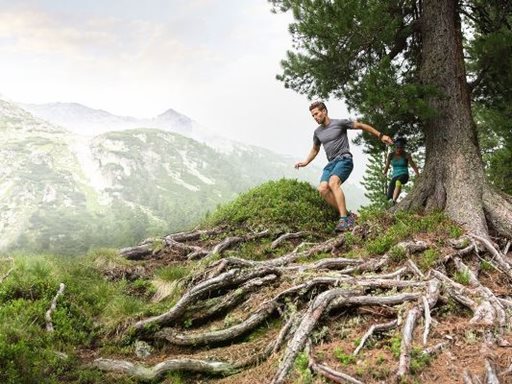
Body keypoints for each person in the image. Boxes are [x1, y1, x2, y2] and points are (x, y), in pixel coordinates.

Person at [295, 101, 393, 232]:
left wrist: (381, 135)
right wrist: (306, 162)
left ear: (324, 111)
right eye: (313, 116)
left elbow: (361, 125)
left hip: (344, 159)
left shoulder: (339, 123)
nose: (315, 117)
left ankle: (344, 220)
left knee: (333, 183)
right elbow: (315, 149)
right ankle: (348, 215)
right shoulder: (317, 132)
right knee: (322, 189)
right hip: (331, 164)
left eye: (317, 114)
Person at [383, 137, 420, 205]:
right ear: (395, 147)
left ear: (403, 148)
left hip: (404, 175)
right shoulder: (391, 155)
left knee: (398, 182)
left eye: (400, 148)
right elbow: (387, 165)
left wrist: (417, 174)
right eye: (397, 148)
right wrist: (384, 173)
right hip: (394, 176)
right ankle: (392, 203)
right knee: (388, 196)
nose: (398, 150)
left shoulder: (406, 155)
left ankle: (394, 201)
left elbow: (413, 165)